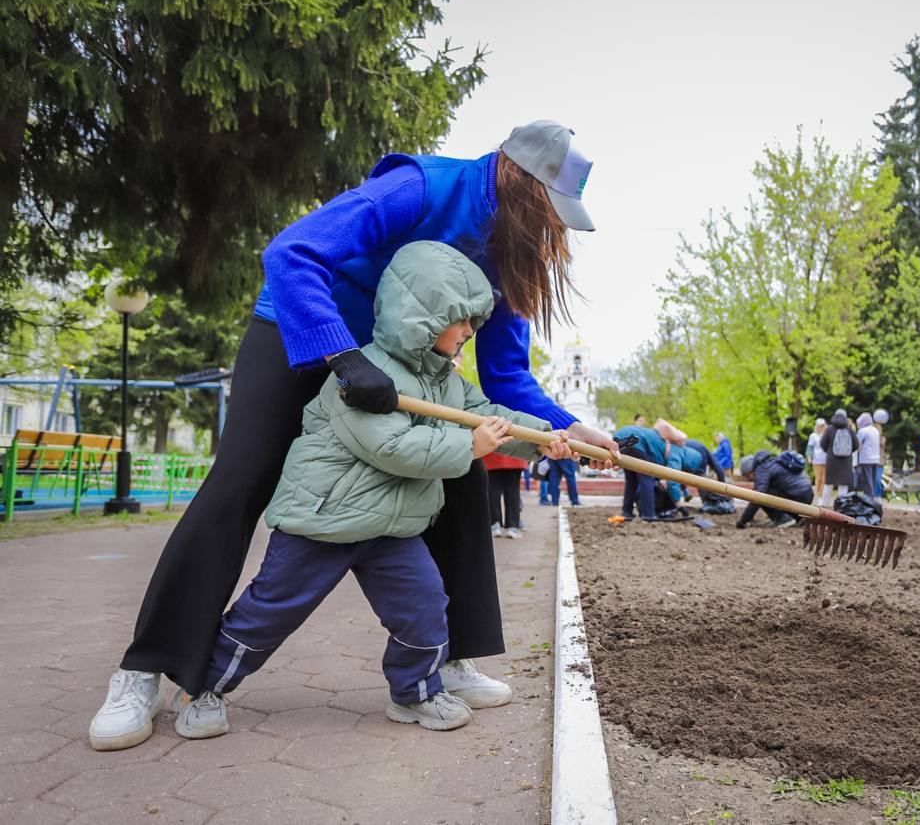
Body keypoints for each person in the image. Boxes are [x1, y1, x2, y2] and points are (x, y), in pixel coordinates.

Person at [90, 120, 620, 752]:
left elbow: (505, 373)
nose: (552, 229)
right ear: (520, 179)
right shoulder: (418, 187)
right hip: (301, 333)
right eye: (551, 210)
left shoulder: (509, 251)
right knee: (239, 482)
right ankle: (144, 669)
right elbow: (292, 253)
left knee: (464, 465)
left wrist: (567, 429)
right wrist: (342, 358)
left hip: (405, 364)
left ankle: (449, 661)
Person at [179, 243, 570, 738]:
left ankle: (415, 694)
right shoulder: (363, 375)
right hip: (323, 522)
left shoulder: (446, 382)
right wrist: (470, 445)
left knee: (426, 609)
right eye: (464, 319)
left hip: (392, 528)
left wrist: (546, 437)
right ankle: (204, 687)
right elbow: (391, 447)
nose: (471, 331)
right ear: (427, 315)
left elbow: (497, 417)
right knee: (266, 615)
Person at [735, 451, 813, 529]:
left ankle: (783, 519)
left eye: (747, 476)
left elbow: (758, 496)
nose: (749, 479)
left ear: (750, 470)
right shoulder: (772, 462)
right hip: (807, 496)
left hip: (798, 496)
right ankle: (797, 518)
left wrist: (743, 521)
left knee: (761, 494)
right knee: (766, 489)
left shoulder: (762, 468)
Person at [612, 424, 671, 521]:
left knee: (631, 480)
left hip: (618, 438)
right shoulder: (660, 444)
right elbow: (657, 465)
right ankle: (648, 514)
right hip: (635, 442)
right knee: (647, 478)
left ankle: (627, 512)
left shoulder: (650, 433)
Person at [484, 451, 527, 538]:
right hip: (516, 456)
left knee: (493, 492)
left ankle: (494, 525)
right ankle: (513, 526)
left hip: (492, 455)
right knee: (513, 492)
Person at [819, 409, 856, 506]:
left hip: (832, 460)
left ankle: (824, 504)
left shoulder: (829, 429)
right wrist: (848, 452)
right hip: (846, 461)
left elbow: (822, 443)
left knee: (828, 483)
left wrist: (829, 451)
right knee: (843, 485)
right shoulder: (849, 429)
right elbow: (856, 444)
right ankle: (841, 505)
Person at [855, 412, 882, 500]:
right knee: (872, 481)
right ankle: (872, 498)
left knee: (867, 481)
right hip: (876, 459)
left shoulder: (862, 431)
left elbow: (857, 444)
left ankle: (869, 500)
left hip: (866, 459)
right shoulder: (875, 430)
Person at [806, 419, 828, 495]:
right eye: (819, 426)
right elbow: (809, 448)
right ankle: (818, 493)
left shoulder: (826, 434)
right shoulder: (813, 435)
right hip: (817, 460)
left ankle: (821, 495)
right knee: (818, 478)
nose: (821, 427)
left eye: (822, 426)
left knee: (824, 479)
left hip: (826, 460)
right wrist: (809, 457)